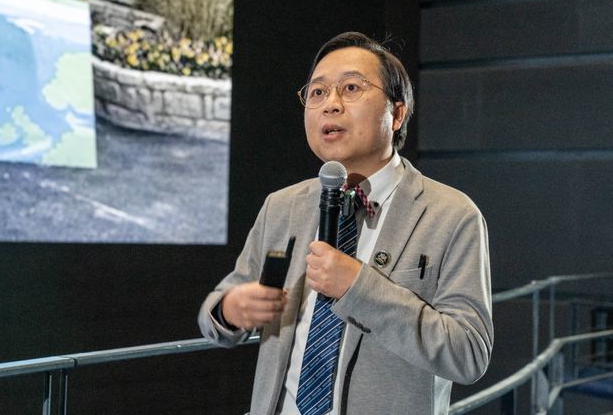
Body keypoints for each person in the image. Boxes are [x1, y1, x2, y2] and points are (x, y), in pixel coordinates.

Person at [198, 32, 493, 415]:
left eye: (351, 88)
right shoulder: (281, 206)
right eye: (317, 92)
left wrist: (359, 288)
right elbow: (215, 313)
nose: (330, 104)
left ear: (397, 113)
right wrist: (230, 309)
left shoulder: (451, 214)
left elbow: (469, 354)